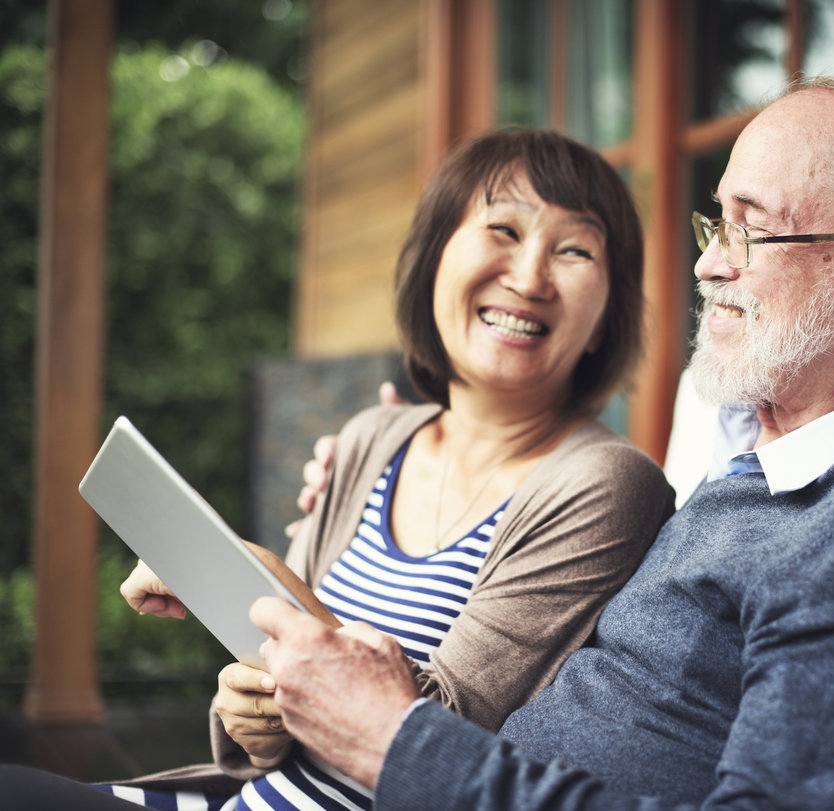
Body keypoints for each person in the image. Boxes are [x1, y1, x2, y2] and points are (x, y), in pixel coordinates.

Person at [1, 74, 834, 811]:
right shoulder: (752, 453)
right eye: (716, 227)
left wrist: (390, 739)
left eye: (754, 231)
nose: (710, 269)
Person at [97, 128, 676, 810]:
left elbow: (440, 733)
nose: (529, 278)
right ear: (434, 261)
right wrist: (248, 709)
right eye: (503, 230)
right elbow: (277, 702)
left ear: (607, 316)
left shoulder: (605, 483)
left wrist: (250, 569)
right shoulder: (373, 437)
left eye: (574, 249)